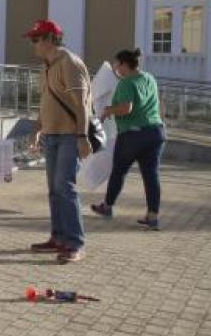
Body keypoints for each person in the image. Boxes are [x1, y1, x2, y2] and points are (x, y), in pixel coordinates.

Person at [26, 19, 92, 263]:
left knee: (65, 187)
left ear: (50, 40)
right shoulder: (46, 66)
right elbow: (46, 101)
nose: (33, 44)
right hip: (51, 135)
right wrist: (37, 129)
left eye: (36, 39)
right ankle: (58, 238)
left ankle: (75, 243)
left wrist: (82, 136)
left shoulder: (69, 63)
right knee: (55, 190)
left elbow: (81, 104)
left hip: (69, 136)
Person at [91, 48, 166, 230]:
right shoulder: (149, 78)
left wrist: (108, 110)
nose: (115, 68)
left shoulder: (126, 83)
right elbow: (157, 103)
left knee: (119, 171)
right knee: (151, 175)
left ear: (125, 64)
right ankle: (153, 216)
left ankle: (107, 206)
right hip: (155, 132)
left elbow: (126, 108)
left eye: (117, 64)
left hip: (133, 135)